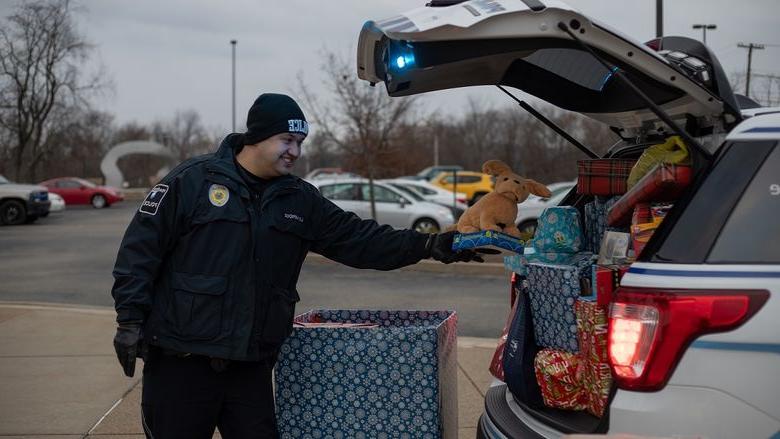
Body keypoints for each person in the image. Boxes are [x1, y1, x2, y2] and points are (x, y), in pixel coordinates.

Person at [111, 93, 481, 438]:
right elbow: (140, 251)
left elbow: (361, 239)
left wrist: (430, 244)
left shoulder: (300, 200)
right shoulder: (192, 181)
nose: (295, 152)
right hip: (182, 363)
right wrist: (130, 320)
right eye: (287, 140)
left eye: (300, 143)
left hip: (249, 367)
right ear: (256, 137)